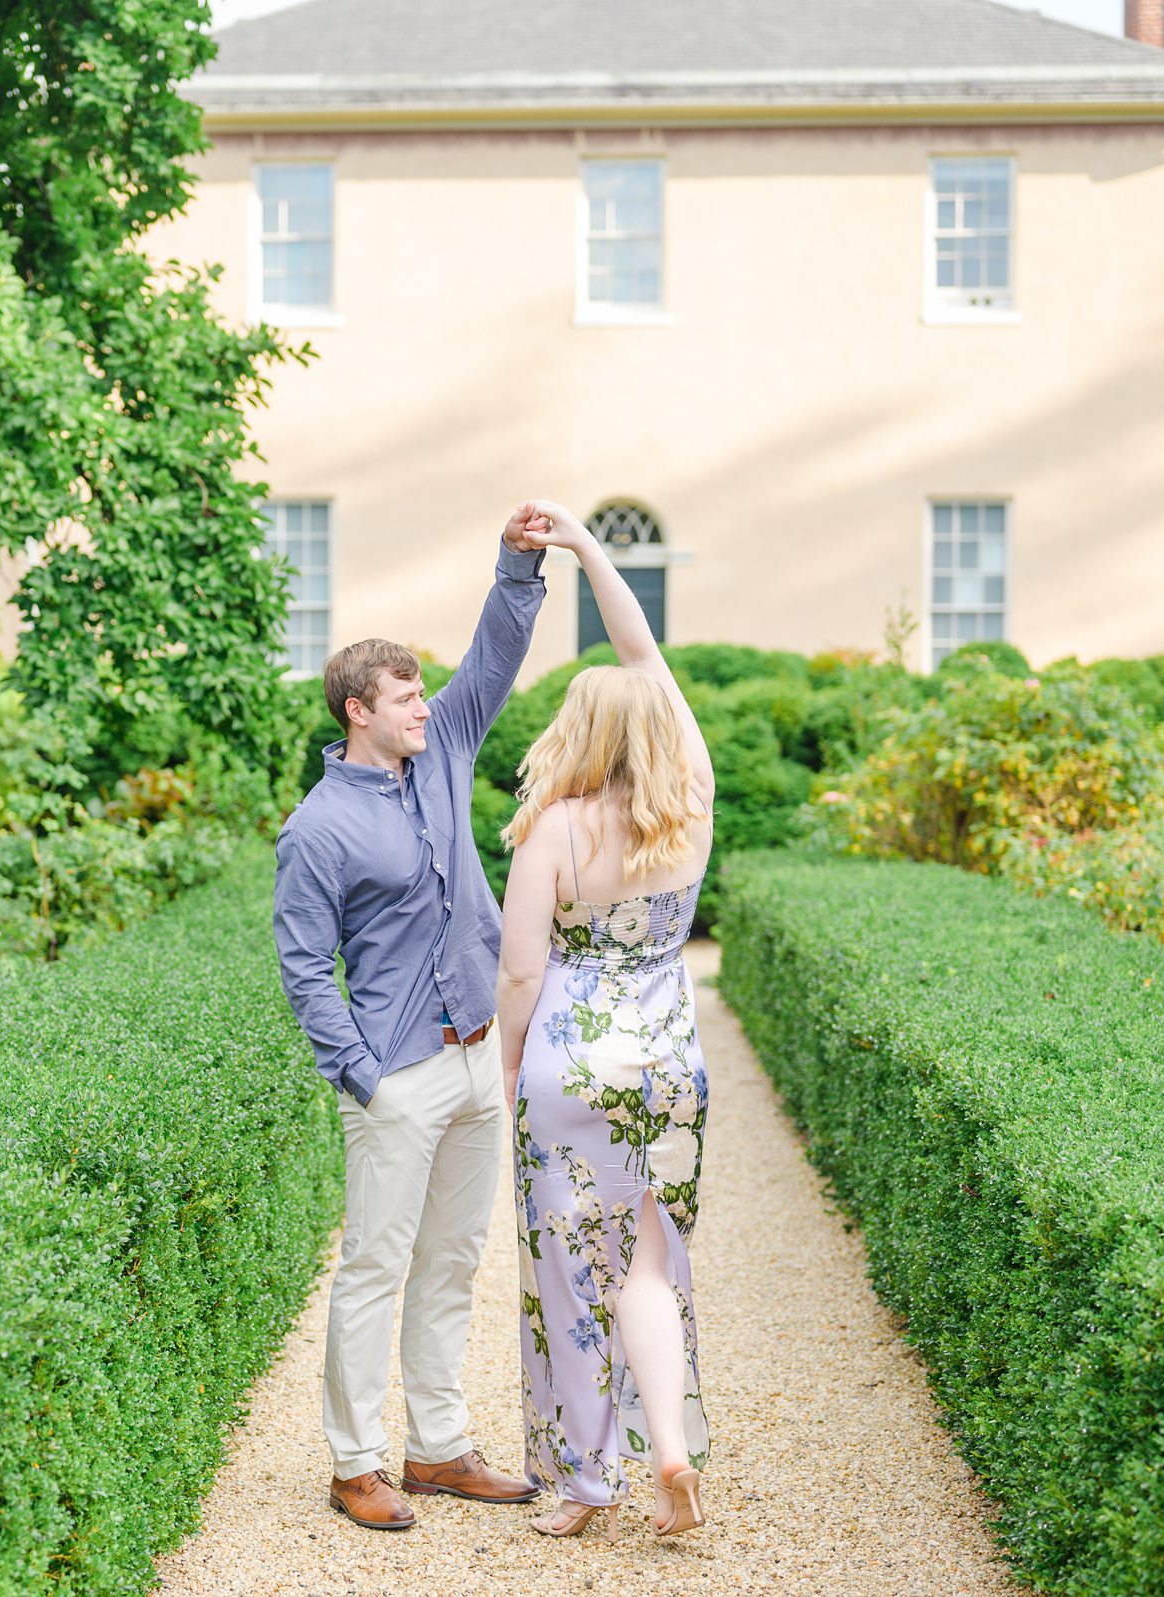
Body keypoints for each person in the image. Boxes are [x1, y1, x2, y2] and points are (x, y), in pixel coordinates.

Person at [272, 503, 554, 1531]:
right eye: (406, 697)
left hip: (479, 1059)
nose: (426, 706)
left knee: (451, 1262)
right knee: (375, 1267)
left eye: (423, 692)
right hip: (395, 1074)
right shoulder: (317, 829)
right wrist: (362, 1073)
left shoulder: (444, 753)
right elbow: (305, 966)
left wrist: (516, 562)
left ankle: (437, 1448)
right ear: (359, 710)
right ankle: (355, 1462)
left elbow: (495, 654)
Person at [494, 499, 714, 1541]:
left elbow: (520, 974)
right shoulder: (695, 802)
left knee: (564, 1272)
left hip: (568, 1067)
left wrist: (509, 1072)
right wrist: (587, 547)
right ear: (660, 727)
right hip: (667, 1062)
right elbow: (644, 649)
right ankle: (666, 1443)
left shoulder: (552, 831)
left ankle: (588, 1482)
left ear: (575, 733)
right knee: (647, 1263)